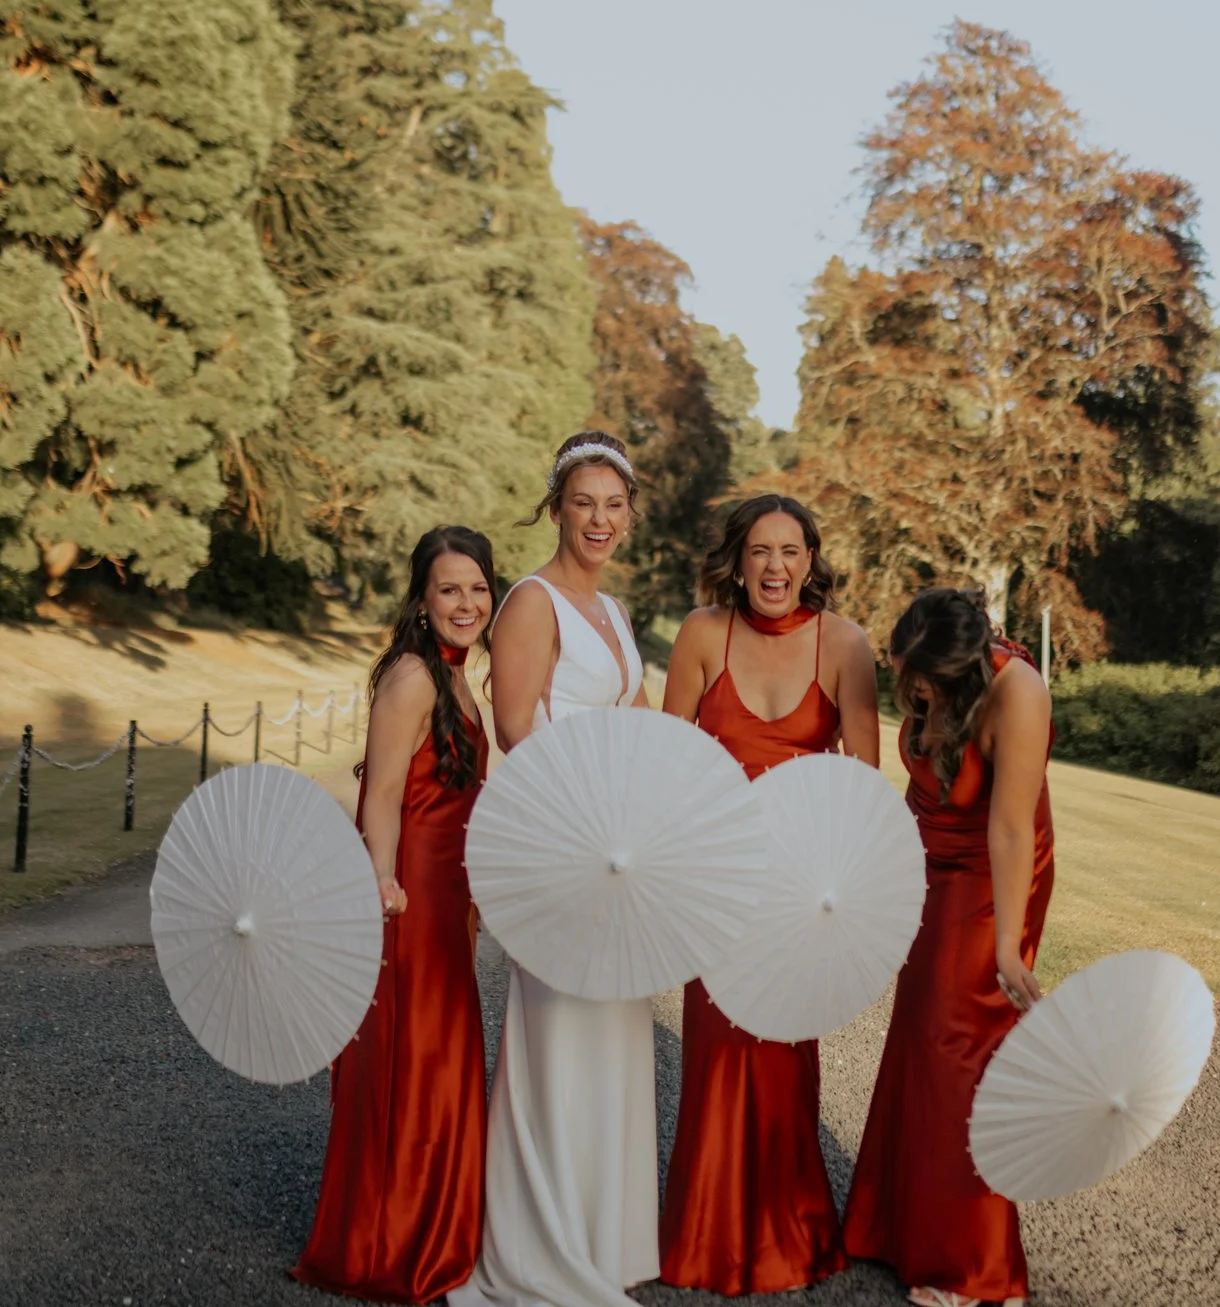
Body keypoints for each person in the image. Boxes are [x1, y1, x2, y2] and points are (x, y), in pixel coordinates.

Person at [657, 494, 880, 1295]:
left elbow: (863, 782)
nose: (775, 567)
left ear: (811, 561)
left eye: (790, 551)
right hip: (717, 883)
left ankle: (789, 1229)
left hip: (796, 891)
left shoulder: (846, 644)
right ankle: (706, 1231)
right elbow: (669, 762)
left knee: (788, 1061)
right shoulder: (702, 633)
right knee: (719, 1058)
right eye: (760, 551)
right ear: (738, 558)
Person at [456, 431, 657, 1307]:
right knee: (559, 1034)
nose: (601, 519)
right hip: (560, 846)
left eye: (615, 504)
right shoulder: (531, 602)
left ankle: (597, 1241)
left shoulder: (612, 613)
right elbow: (516, 730)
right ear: (556, 508)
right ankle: (538, 1244)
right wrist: (591, 810)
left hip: (616, 856)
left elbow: (640, 725)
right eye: (585, 502)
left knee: (613, 1033)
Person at [292, 526, 500, 1302]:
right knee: (411, 1060)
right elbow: (379, 793)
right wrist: (380, 880)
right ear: (422, 598)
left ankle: (434, 1227)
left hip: (447, 894)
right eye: (449, 588)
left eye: (477, 588)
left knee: (442, 1055)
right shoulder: (413, 676)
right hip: (406, 891)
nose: (466, 602)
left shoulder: (459, 678)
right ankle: (389, 1239)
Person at [844, 587, 1058, 1307]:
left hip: (991, 868)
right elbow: (915, 788)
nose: (911, 690)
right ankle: (894, 1229)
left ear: (962, 667)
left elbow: (1010, 830)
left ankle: (975, 1265)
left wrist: (1007, 943)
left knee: (958, 1046)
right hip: (926, 859)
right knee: (916, 1036)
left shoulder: (1018, 693)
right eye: (903, 675)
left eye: (922, 679)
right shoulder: (926, 679)